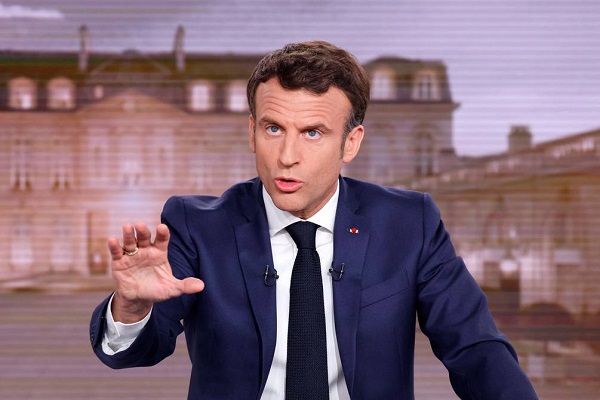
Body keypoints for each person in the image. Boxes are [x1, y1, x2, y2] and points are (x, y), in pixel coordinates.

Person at [90, 41, 538, 399]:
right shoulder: (196, 225)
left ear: (351, 143)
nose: (287, 156)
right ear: (251, 133)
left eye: (313, 133)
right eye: (273, 129)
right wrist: (132, 309)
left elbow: (475, 347)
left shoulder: (409, 223)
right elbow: (140, 349)